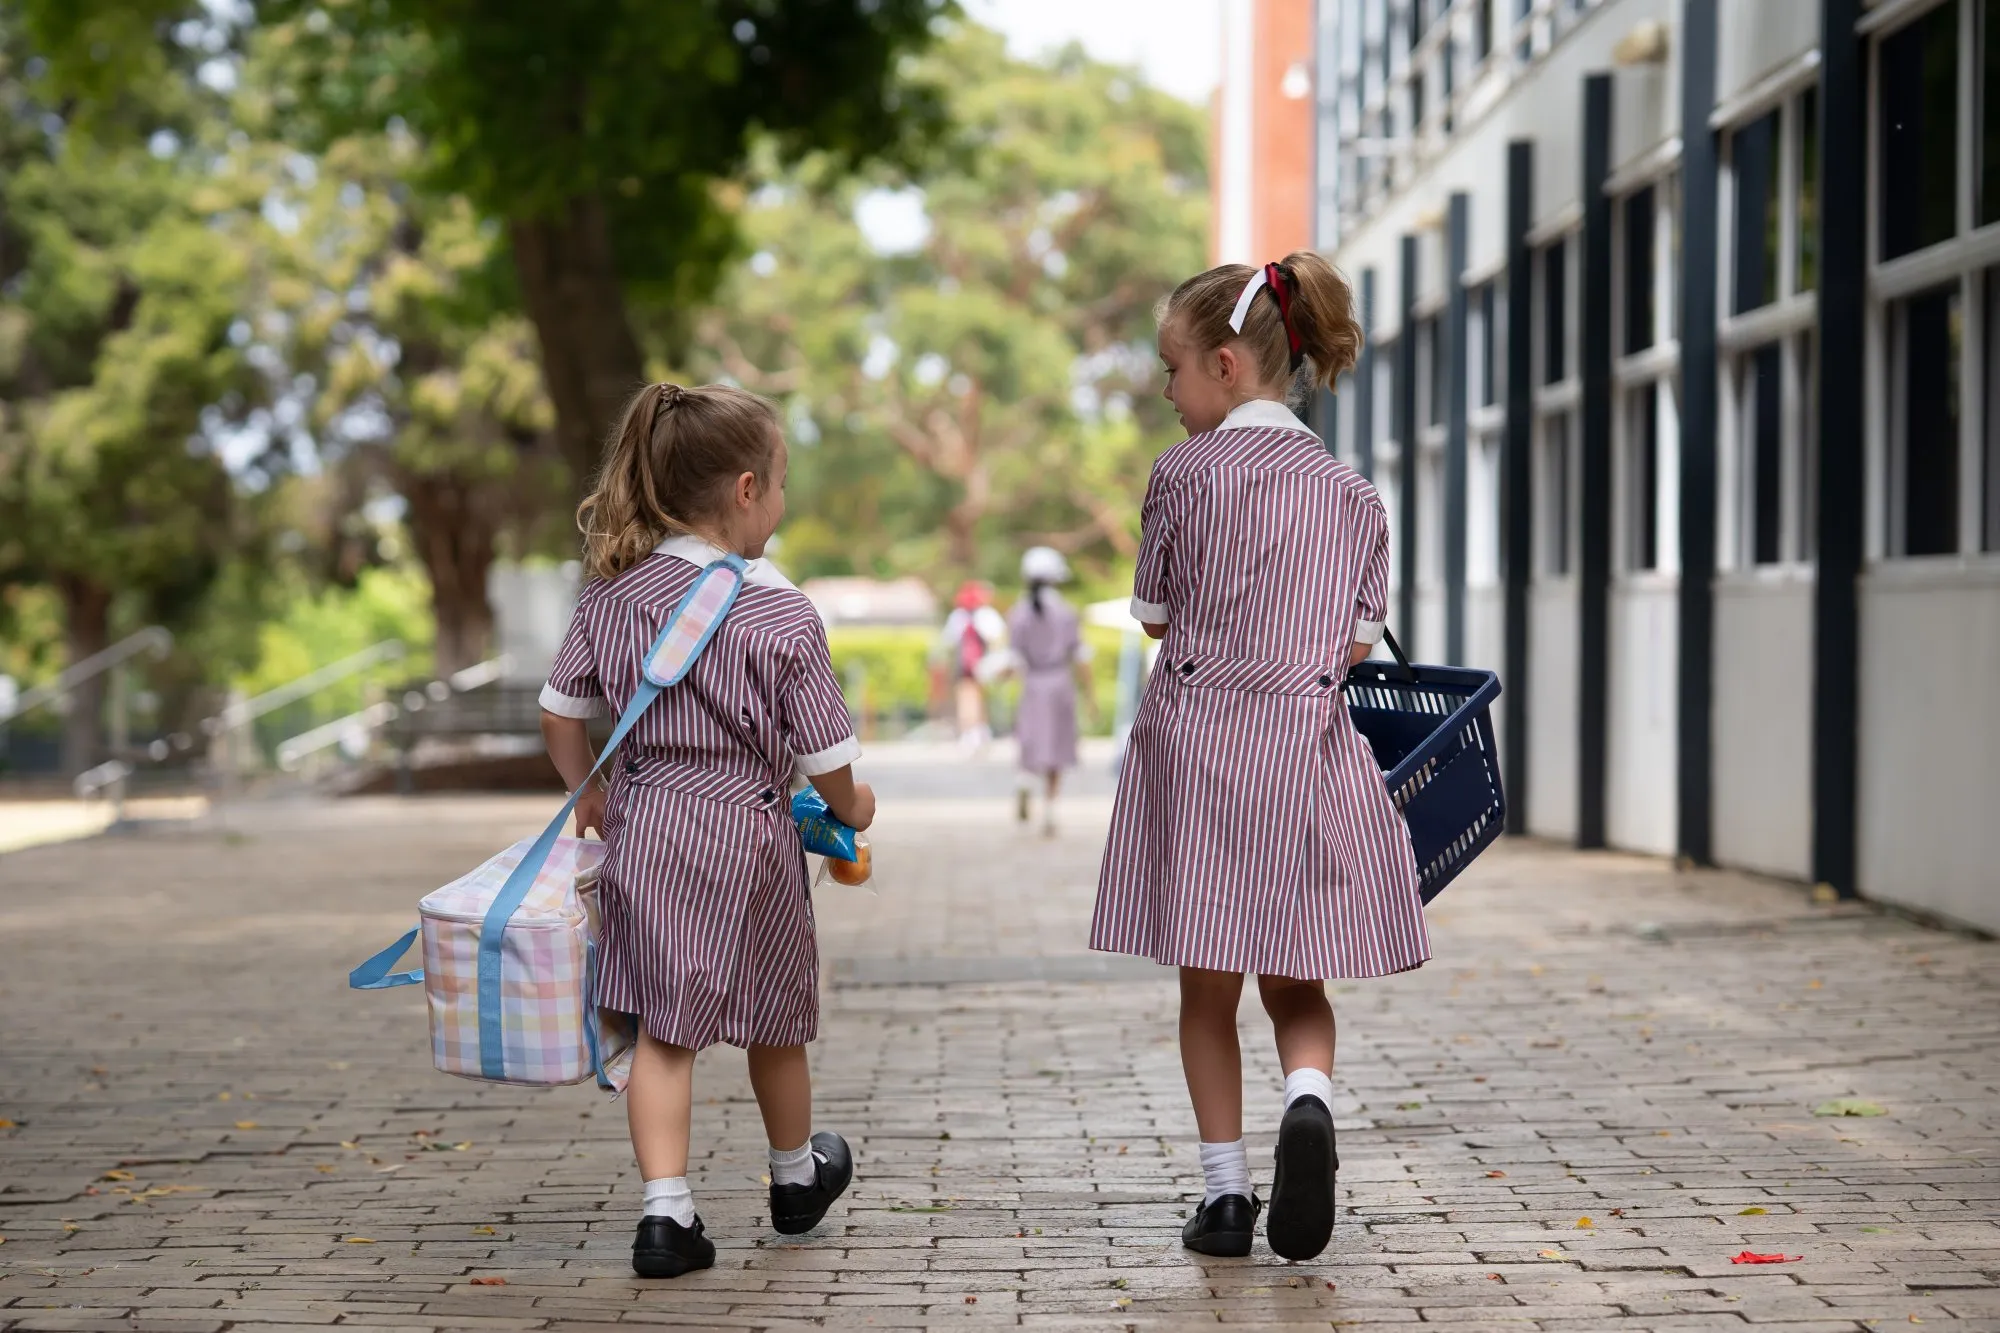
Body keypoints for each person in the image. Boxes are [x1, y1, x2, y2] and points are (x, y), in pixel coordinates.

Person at [1089, 254, 1425, 1263]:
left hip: (1198, 752)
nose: (1165, 390)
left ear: (1226, 365)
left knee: (1207, 989)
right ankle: (1308, 1099)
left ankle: (1225, 1196)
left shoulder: (1181, 475)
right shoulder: (1351, 494)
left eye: (1172, 369)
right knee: (1295, 980)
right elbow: (1357, 643)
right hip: (1304, 748)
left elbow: (1153, 618)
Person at [537, 382, 876, 1280]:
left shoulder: (612, 595)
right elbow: (826, 754)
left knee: (664, 1026)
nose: (782, 504)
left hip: (647, 824)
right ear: (745, 488)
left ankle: (666, 1213)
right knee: (776, 1016)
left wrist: (592, 792)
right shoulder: (781, 609)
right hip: (751, 831)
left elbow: (560, 714)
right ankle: (796, 1178)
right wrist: (854, 809)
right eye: (783, 485)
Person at [1003, 546, 1094, 835]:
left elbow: (1013, 658)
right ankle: (1051, 810)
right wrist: (1090, 695)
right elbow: (1080, 655)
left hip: (1033, 682)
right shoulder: (1065, 611)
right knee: (1058, 745)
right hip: (1059, 681)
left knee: (1031, 739)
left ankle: (1024, 781)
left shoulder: (1018, 612)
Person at [935, 581, 1005, 749]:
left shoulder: (958, 616)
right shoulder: (987, 615)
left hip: (964, 664)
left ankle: (970, 731)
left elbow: (947, 642)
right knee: (979, 697)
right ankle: (979, 731)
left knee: (967, 697)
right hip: (983, 664)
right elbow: (997, 638)